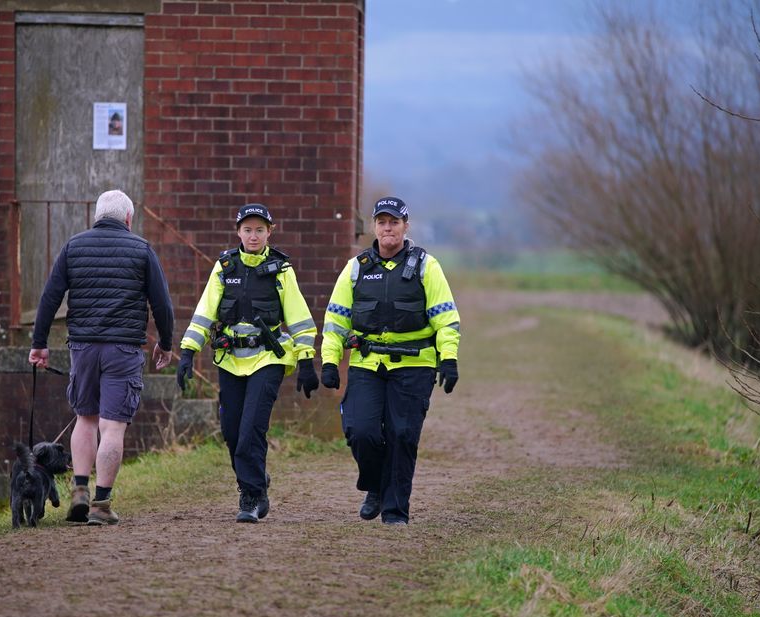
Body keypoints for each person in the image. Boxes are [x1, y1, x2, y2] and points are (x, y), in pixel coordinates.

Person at [28, 189, 174, 526]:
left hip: (83, 346)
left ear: (96, 216)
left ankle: (79, 489)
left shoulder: (73, 247)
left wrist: (39, 343)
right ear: (128, 219)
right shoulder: (141, 249)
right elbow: (162, 304)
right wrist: (165, 343)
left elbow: (51, 296)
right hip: (123, 348)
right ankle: (101, 504)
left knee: (85, 417)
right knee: (112, 426)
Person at [321, 196, 460, 525]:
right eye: (382, 222)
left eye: (394, 222)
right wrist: (329, 360)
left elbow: (445, 318)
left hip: (415, 364)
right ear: (374, 226)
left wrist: (449, 358)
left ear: (405, 227)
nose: (388, 227)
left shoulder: (428, 266)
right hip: (367, 364)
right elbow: (336, 320)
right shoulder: (356, 268)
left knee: (402, 434)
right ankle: (375, 486)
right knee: (360, 430)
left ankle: (395, 511)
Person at [176, 203, 319, 523]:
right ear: (238, 231)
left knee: (252, 428)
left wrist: (307, 360)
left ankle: (252, 497)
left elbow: (299, 319)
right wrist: (188, 351)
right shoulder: (224, 267)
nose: (253, 236)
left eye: (259, 230)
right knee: (231, 431)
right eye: (247, 229)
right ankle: (254, 478)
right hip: (230, 360)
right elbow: (205, 312)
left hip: (268, 359)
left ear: (270, 231)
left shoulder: (282, 269)